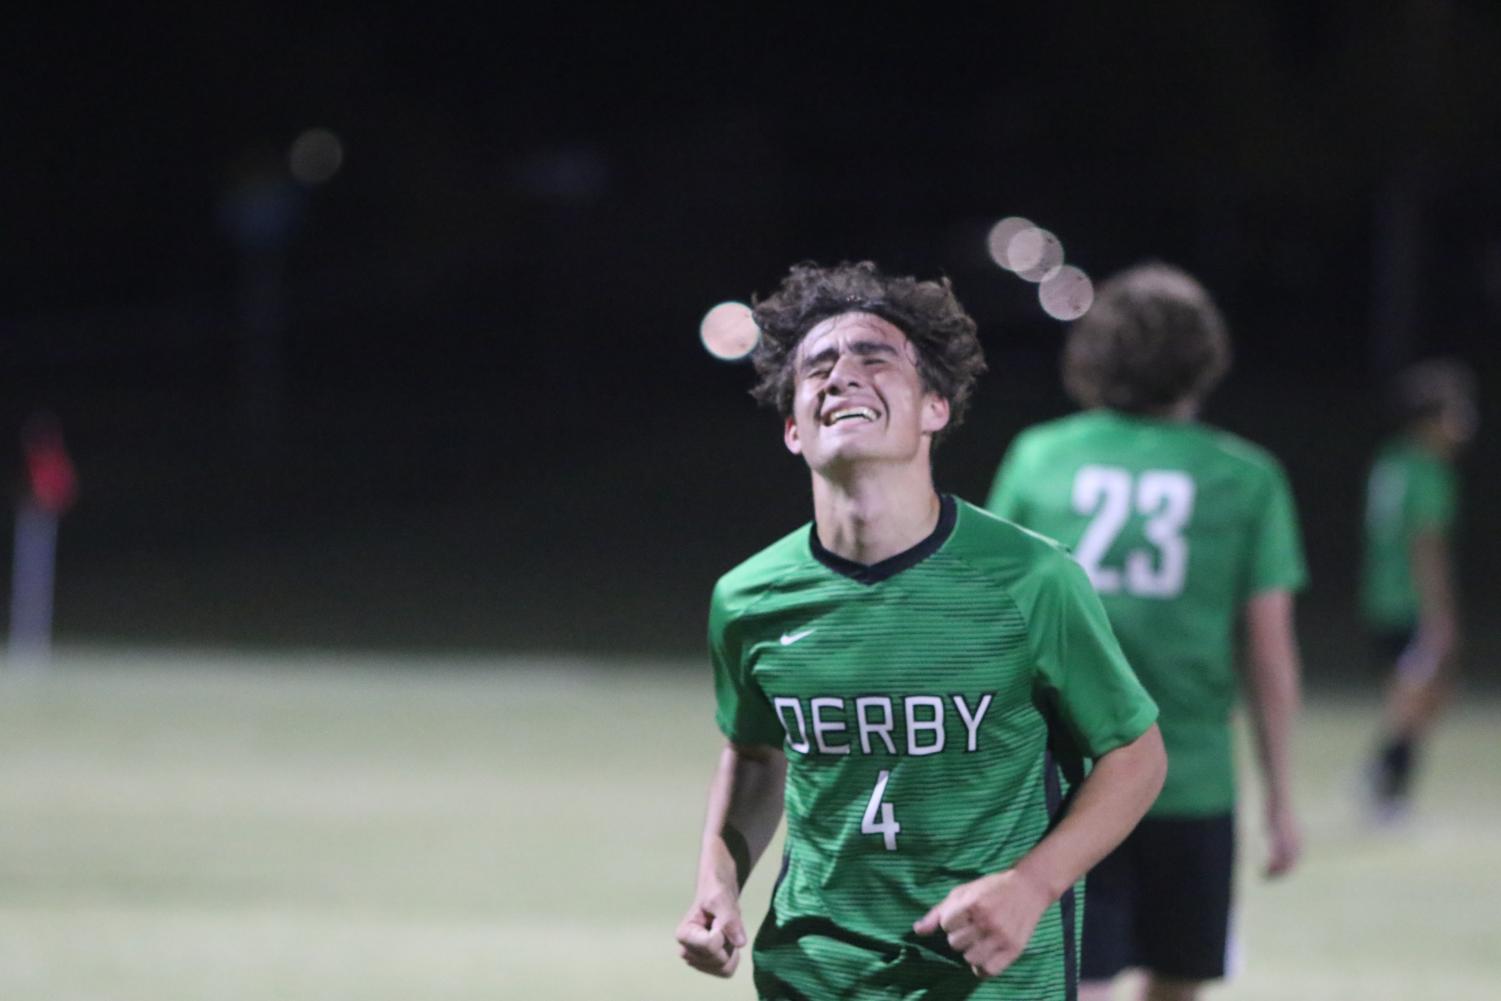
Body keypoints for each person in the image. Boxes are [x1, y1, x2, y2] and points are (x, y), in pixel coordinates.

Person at [675, 260, 1166, 1001]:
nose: (841, 373)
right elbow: (754, 754)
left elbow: (1134, 756)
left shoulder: (1029, 579)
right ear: (791, 430)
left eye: (874, 358)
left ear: (935, 406)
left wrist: (1031, 886)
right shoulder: (749, 599)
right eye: (817, 367)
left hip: (988, 981)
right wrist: (718, 875)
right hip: (813, 975)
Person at [986, 262, 1306, 1001]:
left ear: (1096, 352)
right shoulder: (1246, 475)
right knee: (1178, 978)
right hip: (1190, 774)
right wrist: (1280, 799)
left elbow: (994, 619)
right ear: (1206, 356)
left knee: (1078, 979)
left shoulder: (1041, 456)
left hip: (1062, 775)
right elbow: (1268, 651)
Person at [1360, 358, 1477, 821]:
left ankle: (1384, 777)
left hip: (1380, 594)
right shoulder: (1429, 470)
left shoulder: (1392, 460)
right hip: (1409, 600)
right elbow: (1426, 545)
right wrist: (1441, 614)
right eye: (1457, 411)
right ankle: (1387, 786)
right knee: (1419, 696)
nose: (1465, 421)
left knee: (1421, 693)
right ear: (1431, 418)